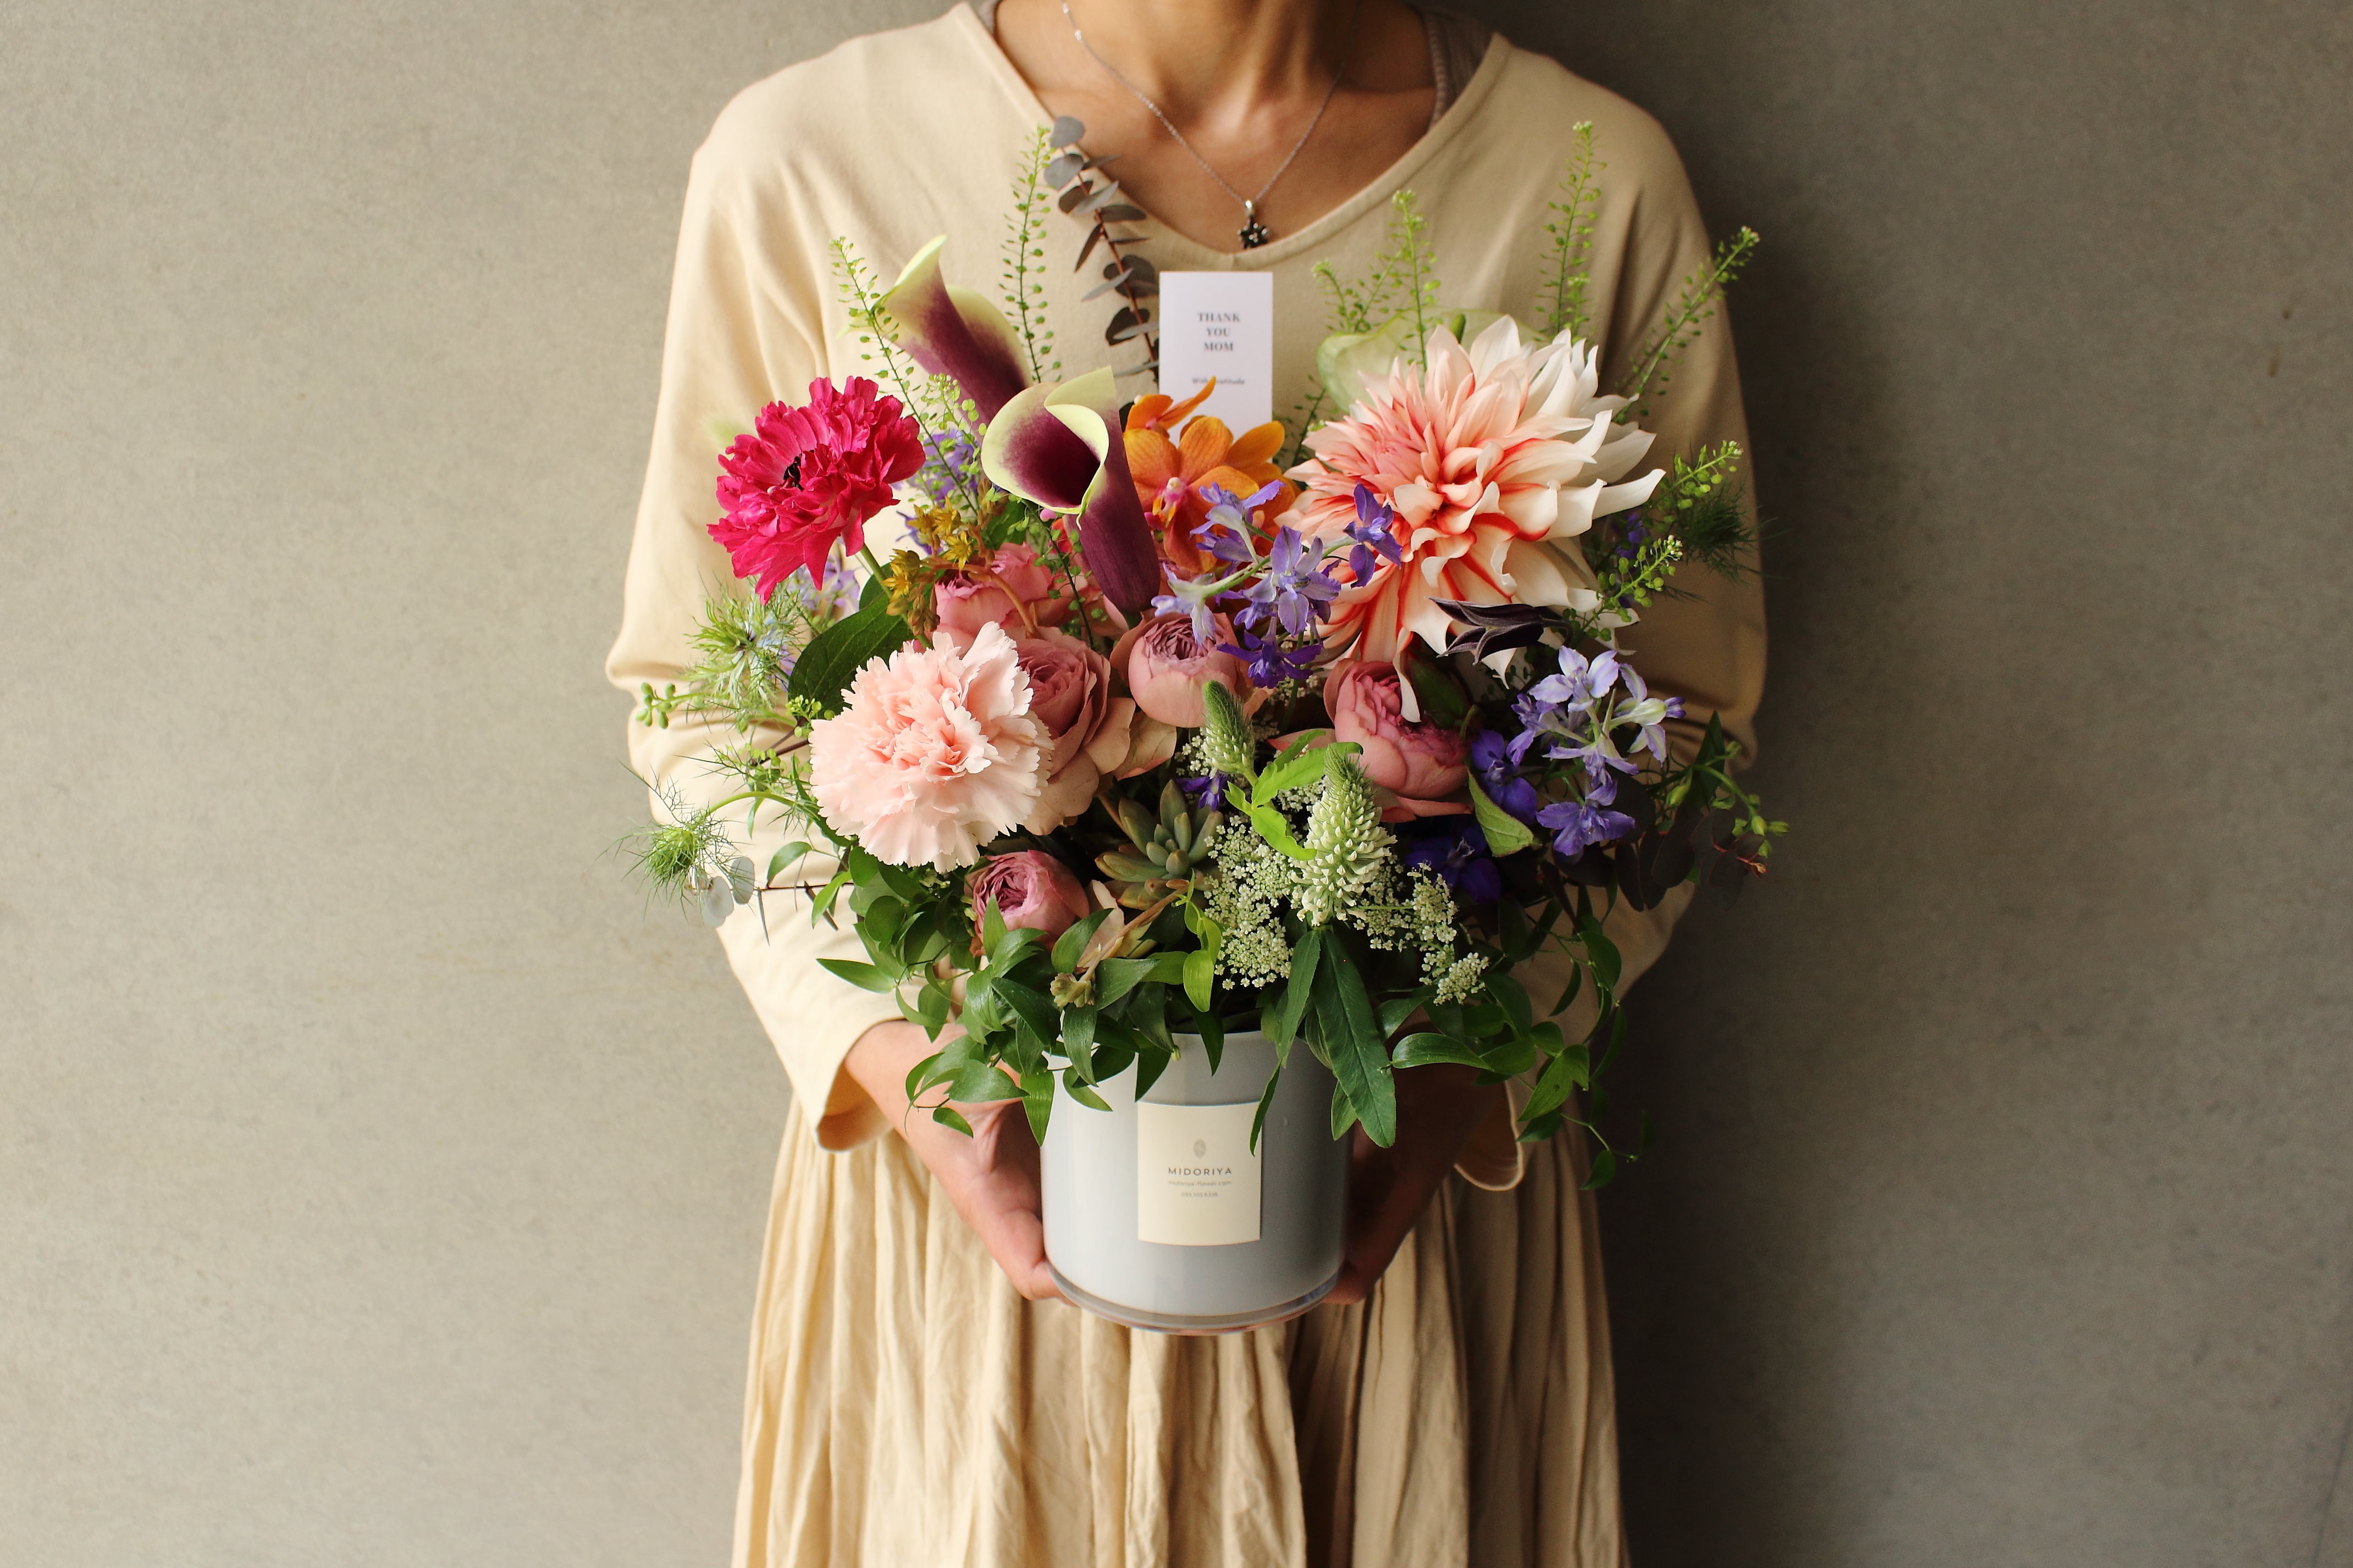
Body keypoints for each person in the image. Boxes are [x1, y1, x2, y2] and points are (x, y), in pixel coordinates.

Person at [606, 2, 1765, 1562]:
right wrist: (902, 1061)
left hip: (1408, 1219)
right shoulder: (811, 160)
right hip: (987, 1251)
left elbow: (1680, 719)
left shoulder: (1589, 177)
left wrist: (1464, 1071)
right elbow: (700, 708)